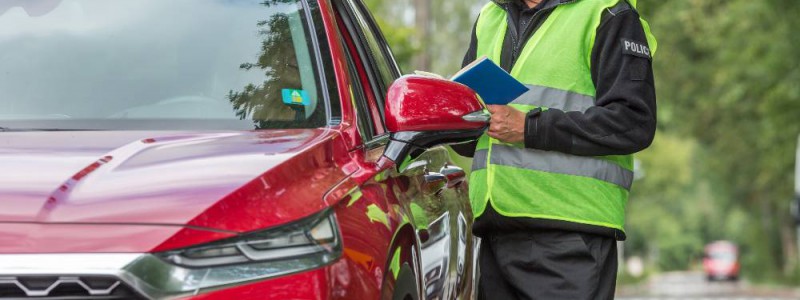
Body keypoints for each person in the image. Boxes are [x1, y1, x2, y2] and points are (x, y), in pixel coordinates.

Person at [452, 0, 657, 299]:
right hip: (495, 234)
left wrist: (530, 128)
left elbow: (633, 121)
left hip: (571, 238)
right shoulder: (488, 17)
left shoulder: (608, 12)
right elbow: (471, 136)